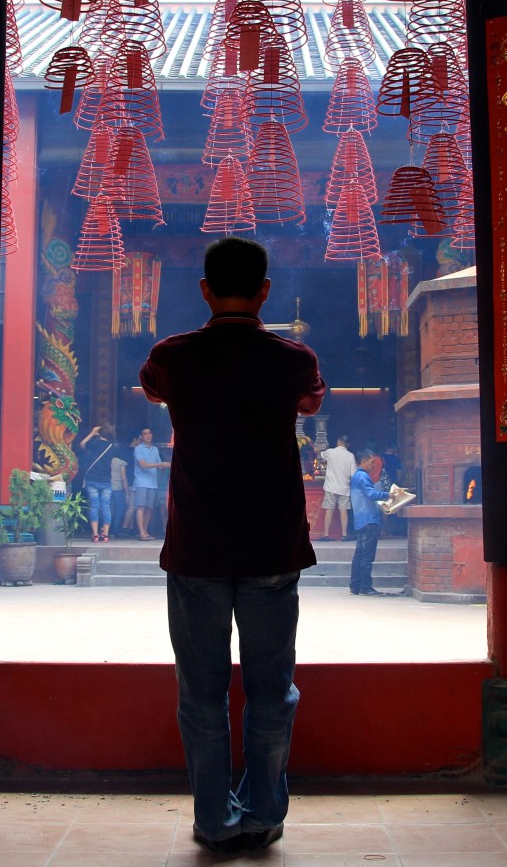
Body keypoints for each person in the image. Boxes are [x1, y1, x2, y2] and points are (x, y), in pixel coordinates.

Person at [139, 236, 326, 855]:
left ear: (204, 290)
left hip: (197, 545)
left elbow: (153, 390)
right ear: (266, 291)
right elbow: (309, 400)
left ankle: (215, 818)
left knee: (201, 692)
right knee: (272, 689)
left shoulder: (173, 355)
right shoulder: (293, 359)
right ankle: (265, 811)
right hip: (272, 543)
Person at [349, 449, 397, 595]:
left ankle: (355, 585)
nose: (374, 465)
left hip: (360, 520)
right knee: (367, 556)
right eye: (371, 462)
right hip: (369, 519)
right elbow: (371, 494)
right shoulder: (363, 476)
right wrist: (387, 495)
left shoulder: (357, 476)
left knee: (359, 554)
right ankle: (365, 587)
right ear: (363, 461)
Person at [77, 422, 115, 542]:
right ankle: (106, 534)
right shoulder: (112, 447)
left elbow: (82, 444)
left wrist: (92, 433)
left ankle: (95, 534)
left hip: (92, 479)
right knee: (106, 507)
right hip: (106, 480)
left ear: (100, 433)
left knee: (94, 506)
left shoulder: (93, 443)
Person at [133, 427, 169, 540]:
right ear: (141, 437)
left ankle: (145, 531)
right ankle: (141, 532)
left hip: (153, 483)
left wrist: (168, 464)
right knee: (141, 507)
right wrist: (160, 465)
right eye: (145, 434)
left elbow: (160, 465)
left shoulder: (155, 449)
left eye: (149, 433)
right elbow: (143, 465)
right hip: (141, 482)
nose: (148, 435)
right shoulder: (138, 449)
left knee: (149, 508)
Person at [318, 435, 356, 541]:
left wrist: (316, 449)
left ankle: (326, 534)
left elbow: (320, 454)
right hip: (344, 487)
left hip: (331, 487)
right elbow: (353, 474)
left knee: (329, 510)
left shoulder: (330, 452)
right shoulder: (350, 456)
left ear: (338, 441)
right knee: (343, 511)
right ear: (348, 444)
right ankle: (344, 534)